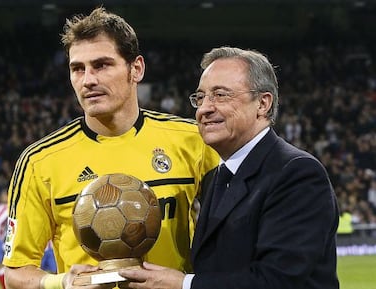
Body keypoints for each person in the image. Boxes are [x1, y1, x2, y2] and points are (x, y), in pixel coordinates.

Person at [2, 6, 218, 289]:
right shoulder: (39, 162)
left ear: (136, 68)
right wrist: (63, 282)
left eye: (102, 65)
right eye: (77, 69)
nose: (88, 80)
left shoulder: (193, 141)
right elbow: (16, 272)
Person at [118, 46, 340, 289]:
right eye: (200, 98)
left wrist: (184, 285)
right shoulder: (217, 177)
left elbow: (278, 280)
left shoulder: (297, 174)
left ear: (263, 103)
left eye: (220, 95)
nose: (204, 109)